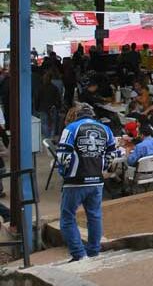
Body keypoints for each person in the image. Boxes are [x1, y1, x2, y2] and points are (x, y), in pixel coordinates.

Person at [56, 104, 115, 262]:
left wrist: (63, 173)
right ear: (92, 115)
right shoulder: (106, 129)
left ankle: (79, 255)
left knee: (67, 218)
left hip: (75, 181)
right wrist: (102, 168)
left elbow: (62, 156)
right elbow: (111, 154)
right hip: (97, 181)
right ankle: (93, 252)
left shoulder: (71, 128)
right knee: (94, 216)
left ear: (78, 115)